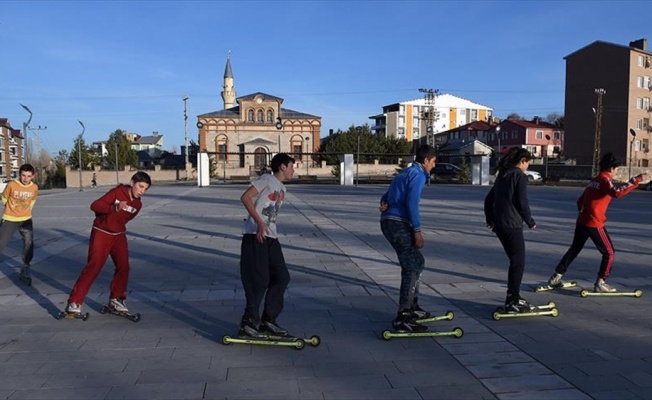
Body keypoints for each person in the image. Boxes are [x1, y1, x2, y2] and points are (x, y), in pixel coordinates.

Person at [547, 152, 647, 293]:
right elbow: (617, 193)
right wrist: (635, 180)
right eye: (617, 169)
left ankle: (556, 276)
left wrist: (583, 213)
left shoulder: (594, 180)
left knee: (574, 249)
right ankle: (601, 281)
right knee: (609, 253)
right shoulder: (605, 180)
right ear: (611, 168)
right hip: (594, 223)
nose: (617, 172)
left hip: (582, 221)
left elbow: (580, 201)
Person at [65, 171, 152, 315]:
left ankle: (116, 300)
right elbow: (95, 206)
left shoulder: (138, 205)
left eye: (145, 189)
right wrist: (114, 208)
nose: (142, 191)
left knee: (124, 267)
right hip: (102, 232)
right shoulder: (117, 192)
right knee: (94, 266)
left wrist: (117, 217)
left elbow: (122, 220)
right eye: (140, 186)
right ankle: (74, 302)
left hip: (118, 236)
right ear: (132, 183)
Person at [379, 144, 437, 332]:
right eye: (433, 161)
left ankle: (413, 307)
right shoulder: (419, 175)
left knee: (416, 261)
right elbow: (412, 204)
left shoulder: (405, 172)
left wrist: (384, 204)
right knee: (412, 264)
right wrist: (417, 231)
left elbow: (386, 196)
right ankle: (403, 315)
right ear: (426, 160)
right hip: (397, 223)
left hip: (389, 221)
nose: (434, 166)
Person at [237, 153, 295, 338]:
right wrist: (259, 223)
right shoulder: (267, 179)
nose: (294, 170)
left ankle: (268, 321)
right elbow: (245, 197)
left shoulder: (281, 187)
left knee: (282, 277)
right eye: (291, 166)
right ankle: (248, 323)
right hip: (256, 235)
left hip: (271, 237)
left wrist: (267, 225)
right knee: (260, 280)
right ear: (282, 166)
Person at [484, 147, 536, 313]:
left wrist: (490, 219)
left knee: (515, 261)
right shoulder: (519, 175)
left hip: (499, 225)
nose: (527, 166)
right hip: (512, 224)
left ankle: (513, 297)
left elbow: (488, 199)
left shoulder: (503, 175)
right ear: (522, 161)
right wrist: (530, 221)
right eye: (527, 162)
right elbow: (522, 201)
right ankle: (513, 299)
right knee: (518, 262)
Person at [0, 164, 38, 283]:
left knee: (29, 244)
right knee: (1, 243)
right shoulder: (12, 185)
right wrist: (9, 208)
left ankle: (25, 268)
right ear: (19, 174)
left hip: (26, 219)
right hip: (10, 218)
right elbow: (4, 197)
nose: (25, 178)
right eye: (23, 175)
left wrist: (27, 210)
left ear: (32, 176)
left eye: (28, 176)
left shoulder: (34, 187)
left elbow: (33, 199)